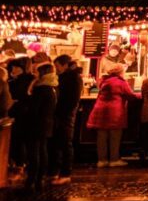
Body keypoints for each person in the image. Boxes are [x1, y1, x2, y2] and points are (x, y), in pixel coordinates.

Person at [86, 64, 138, 167]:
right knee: (115, 136)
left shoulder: (104, 81)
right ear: (120, 72)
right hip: (115, 111)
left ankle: (102, 160)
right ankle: (114, 159)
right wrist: (141, 95)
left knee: (101, 136)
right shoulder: (120, 82)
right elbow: (130, 95)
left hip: (100, 110)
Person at [47, 55, 82, 185]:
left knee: (65, 143)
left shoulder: (73, 78)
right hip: (59, 114)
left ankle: (65, 173)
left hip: (65, 115)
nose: (56, 69)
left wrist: (64, 112)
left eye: (58, 66)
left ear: (65, 65)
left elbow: (72, 100)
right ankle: (54, 172)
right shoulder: (65, 77)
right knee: (56, 143)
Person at [24, 63, 58, 192]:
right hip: (47, 123)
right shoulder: (53, 87)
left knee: (34, 152)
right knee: (42, 150)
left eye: (37, 72)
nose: (35, 74)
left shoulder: (40, 89)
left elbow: (34, 109)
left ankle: (32, 178)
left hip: (36, 124)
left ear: (42, 74)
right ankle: (40, 178)